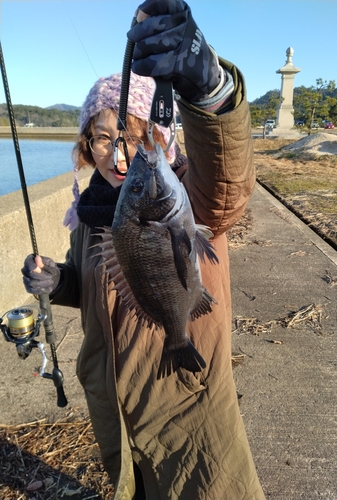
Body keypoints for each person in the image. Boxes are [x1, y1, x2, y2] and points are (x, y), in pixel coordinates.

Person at [22, 1, 265, 499]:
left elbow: (227, 184)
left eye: (135, 136)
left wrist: (210, 92)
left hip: (188, 409)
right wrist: (60, 282)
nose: (121, 154)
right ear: (87, 147)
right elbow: (96, 287)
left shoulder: (188, 198)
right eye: (104, 139)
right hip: (113, 409)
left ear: (162, 136)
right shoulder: (91, 216)